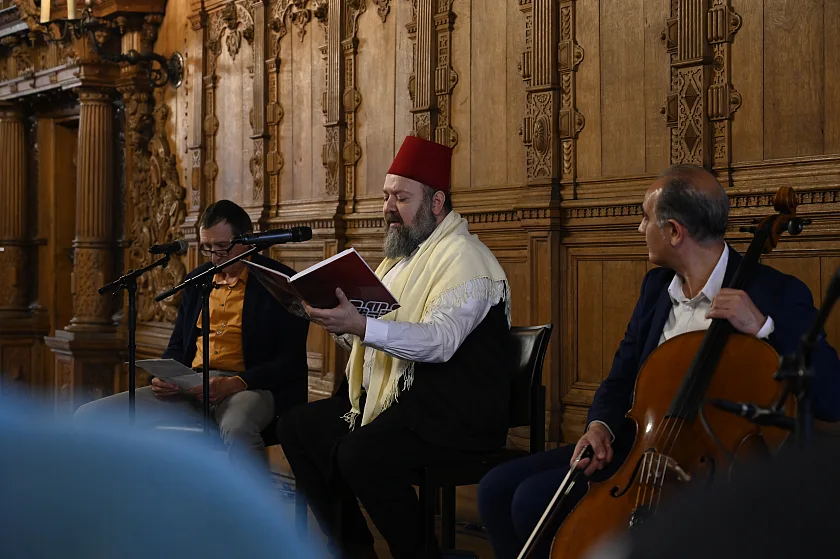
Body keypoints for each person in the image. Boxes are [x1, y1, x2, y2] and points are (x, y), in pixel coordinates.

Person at [476, 165, 840, 559]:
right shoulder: (656, 289)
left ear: (673, 232)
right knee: (496, 489)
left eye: (645, 218)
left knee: (531, 500)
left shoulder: (776, 292)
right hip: (639, 449)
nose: (639, 228)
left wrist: (764, 326)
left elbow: (831, 398)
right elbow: (621, 376)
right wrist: (599, 426)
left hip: (706, 470)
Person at [276, 135, 515, 558]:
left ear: (436, 202)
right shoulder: (401, 261)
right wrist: (331, 320)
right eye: (386, 196)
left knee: (361, 455)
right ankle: (352, 549)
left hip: (455, 409)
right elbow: (376, 340)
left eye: (401, 198)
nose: (388, 208)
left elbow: (439, 343)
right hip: (404, 399)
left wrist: (361, 326)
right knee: (298, 427)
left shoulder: (467, 259)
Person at [74, 200, 310, 464]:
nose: (214, 256)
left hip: (249, 387)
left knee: (237, 427)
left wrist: (233, 383)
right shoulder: (198, 280)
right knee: (90, 415)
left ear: (247, 240)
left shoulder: (279, 282)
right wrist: (166, 378)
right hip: (192, 385)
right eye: (207, 248)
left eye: (222, 247)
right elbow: (178, 345)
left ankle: (248, 505)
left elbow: (290, 362)